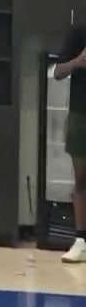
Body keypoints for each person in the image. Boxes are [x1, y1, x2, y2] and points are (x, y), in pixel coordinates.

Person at [53, 21, 86, 263]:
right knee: (82, 180)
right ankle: (81, 241)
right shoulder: (79, 33)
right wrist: (78, 62)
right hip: (81, 114)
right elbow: (56, 72)